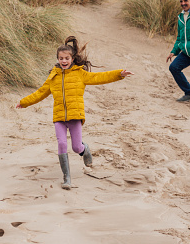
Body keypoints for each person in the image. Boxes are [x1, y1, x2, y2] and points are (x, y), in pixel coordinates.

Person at [16, 36, 133, 190]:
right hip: (59, 117)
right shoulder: (53, 77)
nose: (64, 61)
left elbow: (99, 77)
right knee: (62, 144)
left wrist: (119, 74)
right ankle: (67, 178)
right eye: (61, 58)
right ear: (57, 59)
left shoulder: (80, 74)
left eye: (66, 58)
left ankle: (85, 150)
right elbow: (40, 93)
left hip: (75, 116)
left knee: (76, 148)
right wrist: (24, 102)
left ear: (72, 58)